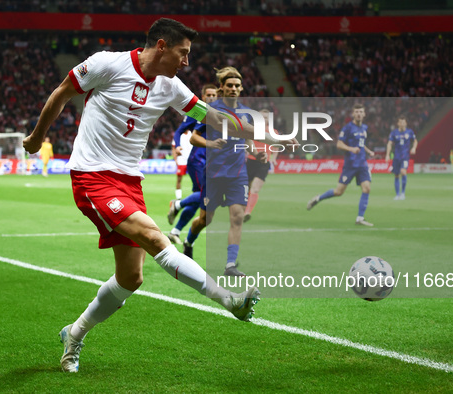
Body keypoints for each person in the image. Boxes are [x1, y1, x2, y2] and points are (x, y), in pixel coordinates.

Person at [23, 18, 287, 373]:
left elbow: (212, 116)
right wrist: (38, 137)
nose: (187, 62)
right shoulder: (107, 63)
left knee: (131, 278)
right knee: (154, 236)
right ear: (161, 45)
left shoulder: (172, 87)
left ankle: (73, 334)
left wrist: (270, 137)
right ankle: (230, 300)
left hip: (130, 182)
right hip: (92, 177)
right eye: (184, 53)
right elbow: (62, 92)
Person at [182, 66, 254, 276]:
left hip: (238, 173)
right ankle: (188, 241)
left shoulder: (245, 114)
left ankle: (230, 265)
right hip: (213, 174)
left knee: (237, 217)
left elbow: (247, 139)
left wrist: (256, 152)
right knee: (206, 219)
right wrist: (211, 144)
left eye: (237, 86)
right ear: (221, 87)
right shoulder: (210, 110)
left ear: (241, 89)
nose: (233, 89)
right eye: (229, 85)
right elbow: (194, 137)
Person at [306, 103, 375, 226]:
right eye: (357, 112)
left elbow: (361, 143)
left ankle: (360, 218)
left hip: (362, 163)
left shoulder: (364, 128)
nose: (359, 114)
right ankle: (318, 198)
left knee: (367, 188)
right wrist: (351, 149)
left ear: (364, 114)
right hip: (350, 165)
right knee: (339, 191)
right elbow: (339, 144)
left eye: (361, 112)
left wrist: (368, 151)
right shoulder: (348, 128)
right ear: (353, 114)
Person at [167, 84, 217, 245]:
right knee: (205, 195)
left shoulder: (220, 114)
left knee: (199, 200)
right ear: (203, 97)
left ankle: (175, 231)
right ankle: (178, 204)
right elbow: (178, 131)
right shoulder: (198, 112)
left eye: (214, 95)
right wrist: (177, 144)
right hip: (197, 161)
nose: (211, 97)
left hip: (210, 162)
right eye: (208, 95)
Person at [243, 109, 278, 223]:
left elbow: (277, 146)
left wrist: (274, 158)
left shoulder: (274, 132)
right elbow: (246, 142)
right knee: (246, 188)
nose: (264, 119)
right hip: (251, 161)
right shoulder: (252, 129)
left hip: (264, 163)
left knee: (255, 188)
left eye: (266, 117)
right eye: (262, 117)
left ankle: (247, 212)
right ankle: (242, 208)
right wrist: (246, 153)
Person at [385, 115, 417, 200]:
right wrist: (387, 155)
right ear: (398, 123)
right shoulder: (394, 133)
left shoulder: (410, 132)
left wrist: (414, 148)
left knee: (403, 172)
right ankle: (397, 194)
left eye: (404, 122)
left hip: (405, 156)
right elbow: (389, 144)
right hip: (396, 157)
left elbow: (415, 141)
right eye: (400, 122)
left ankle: (403, 193)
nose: (402, 123)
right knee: (396, 175)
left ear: (406, 123)